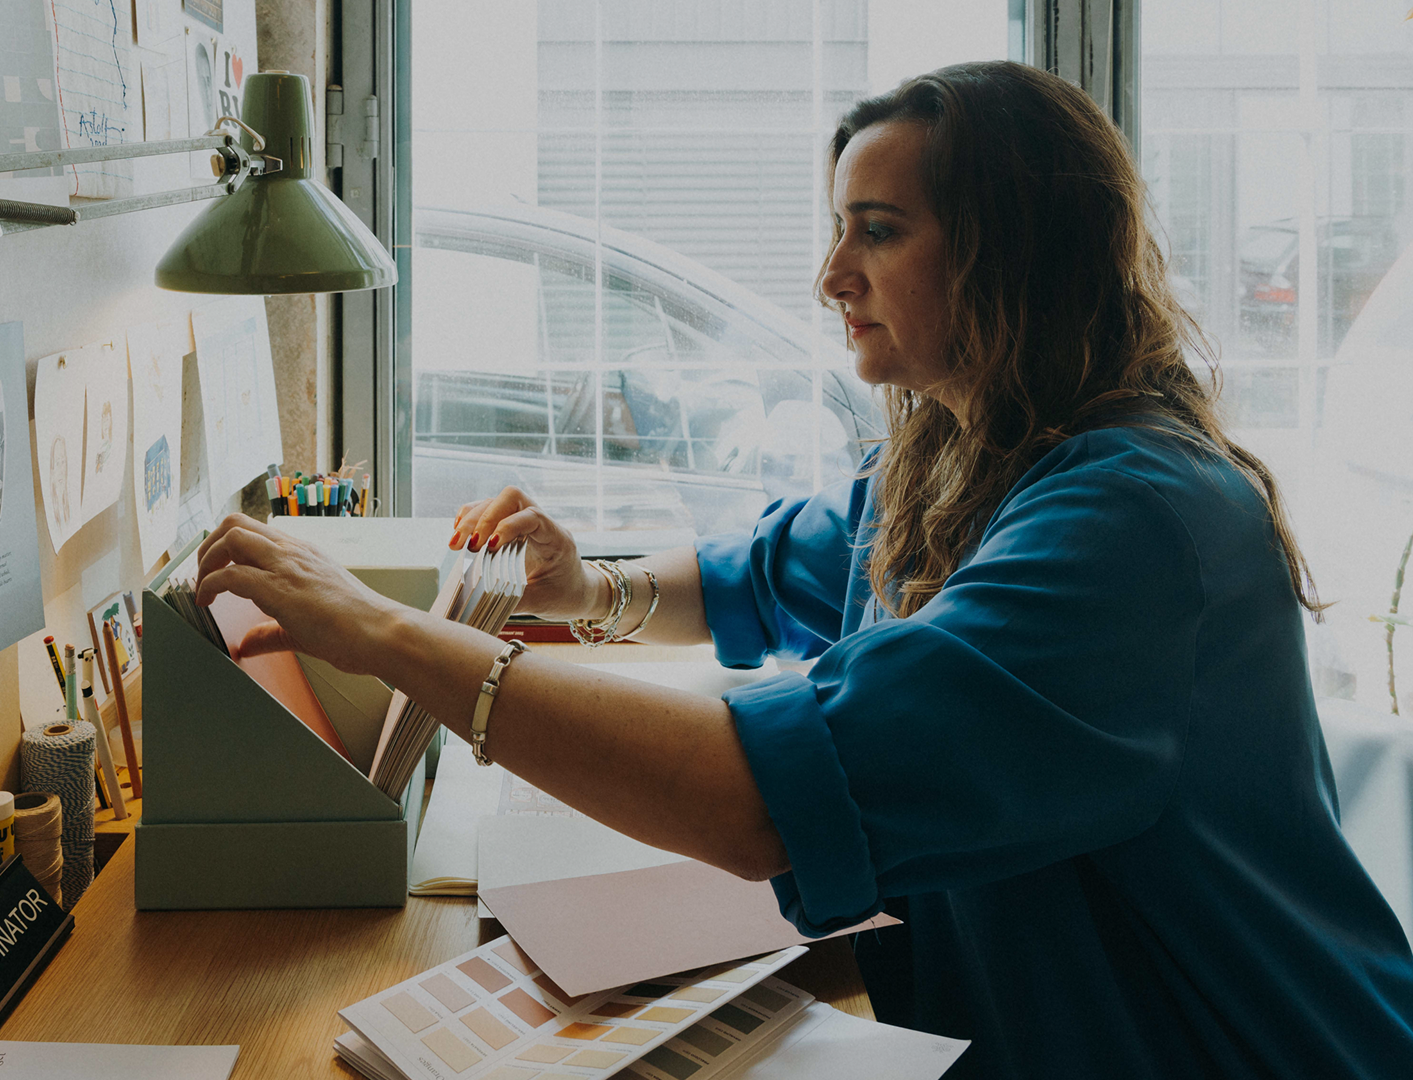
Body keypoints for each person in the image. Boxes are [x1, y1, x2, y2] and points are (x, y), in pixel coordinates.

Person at [193, 62, 1413, 1077]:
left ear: (1020, 254)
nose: (833, 279)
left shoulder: (1131, 530)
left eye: (877, 233)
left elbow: (754, 801)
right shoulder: (966, 440)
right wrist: (584, 589)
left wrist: (380, 632)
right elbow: (767, 574)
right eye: (839, 232)